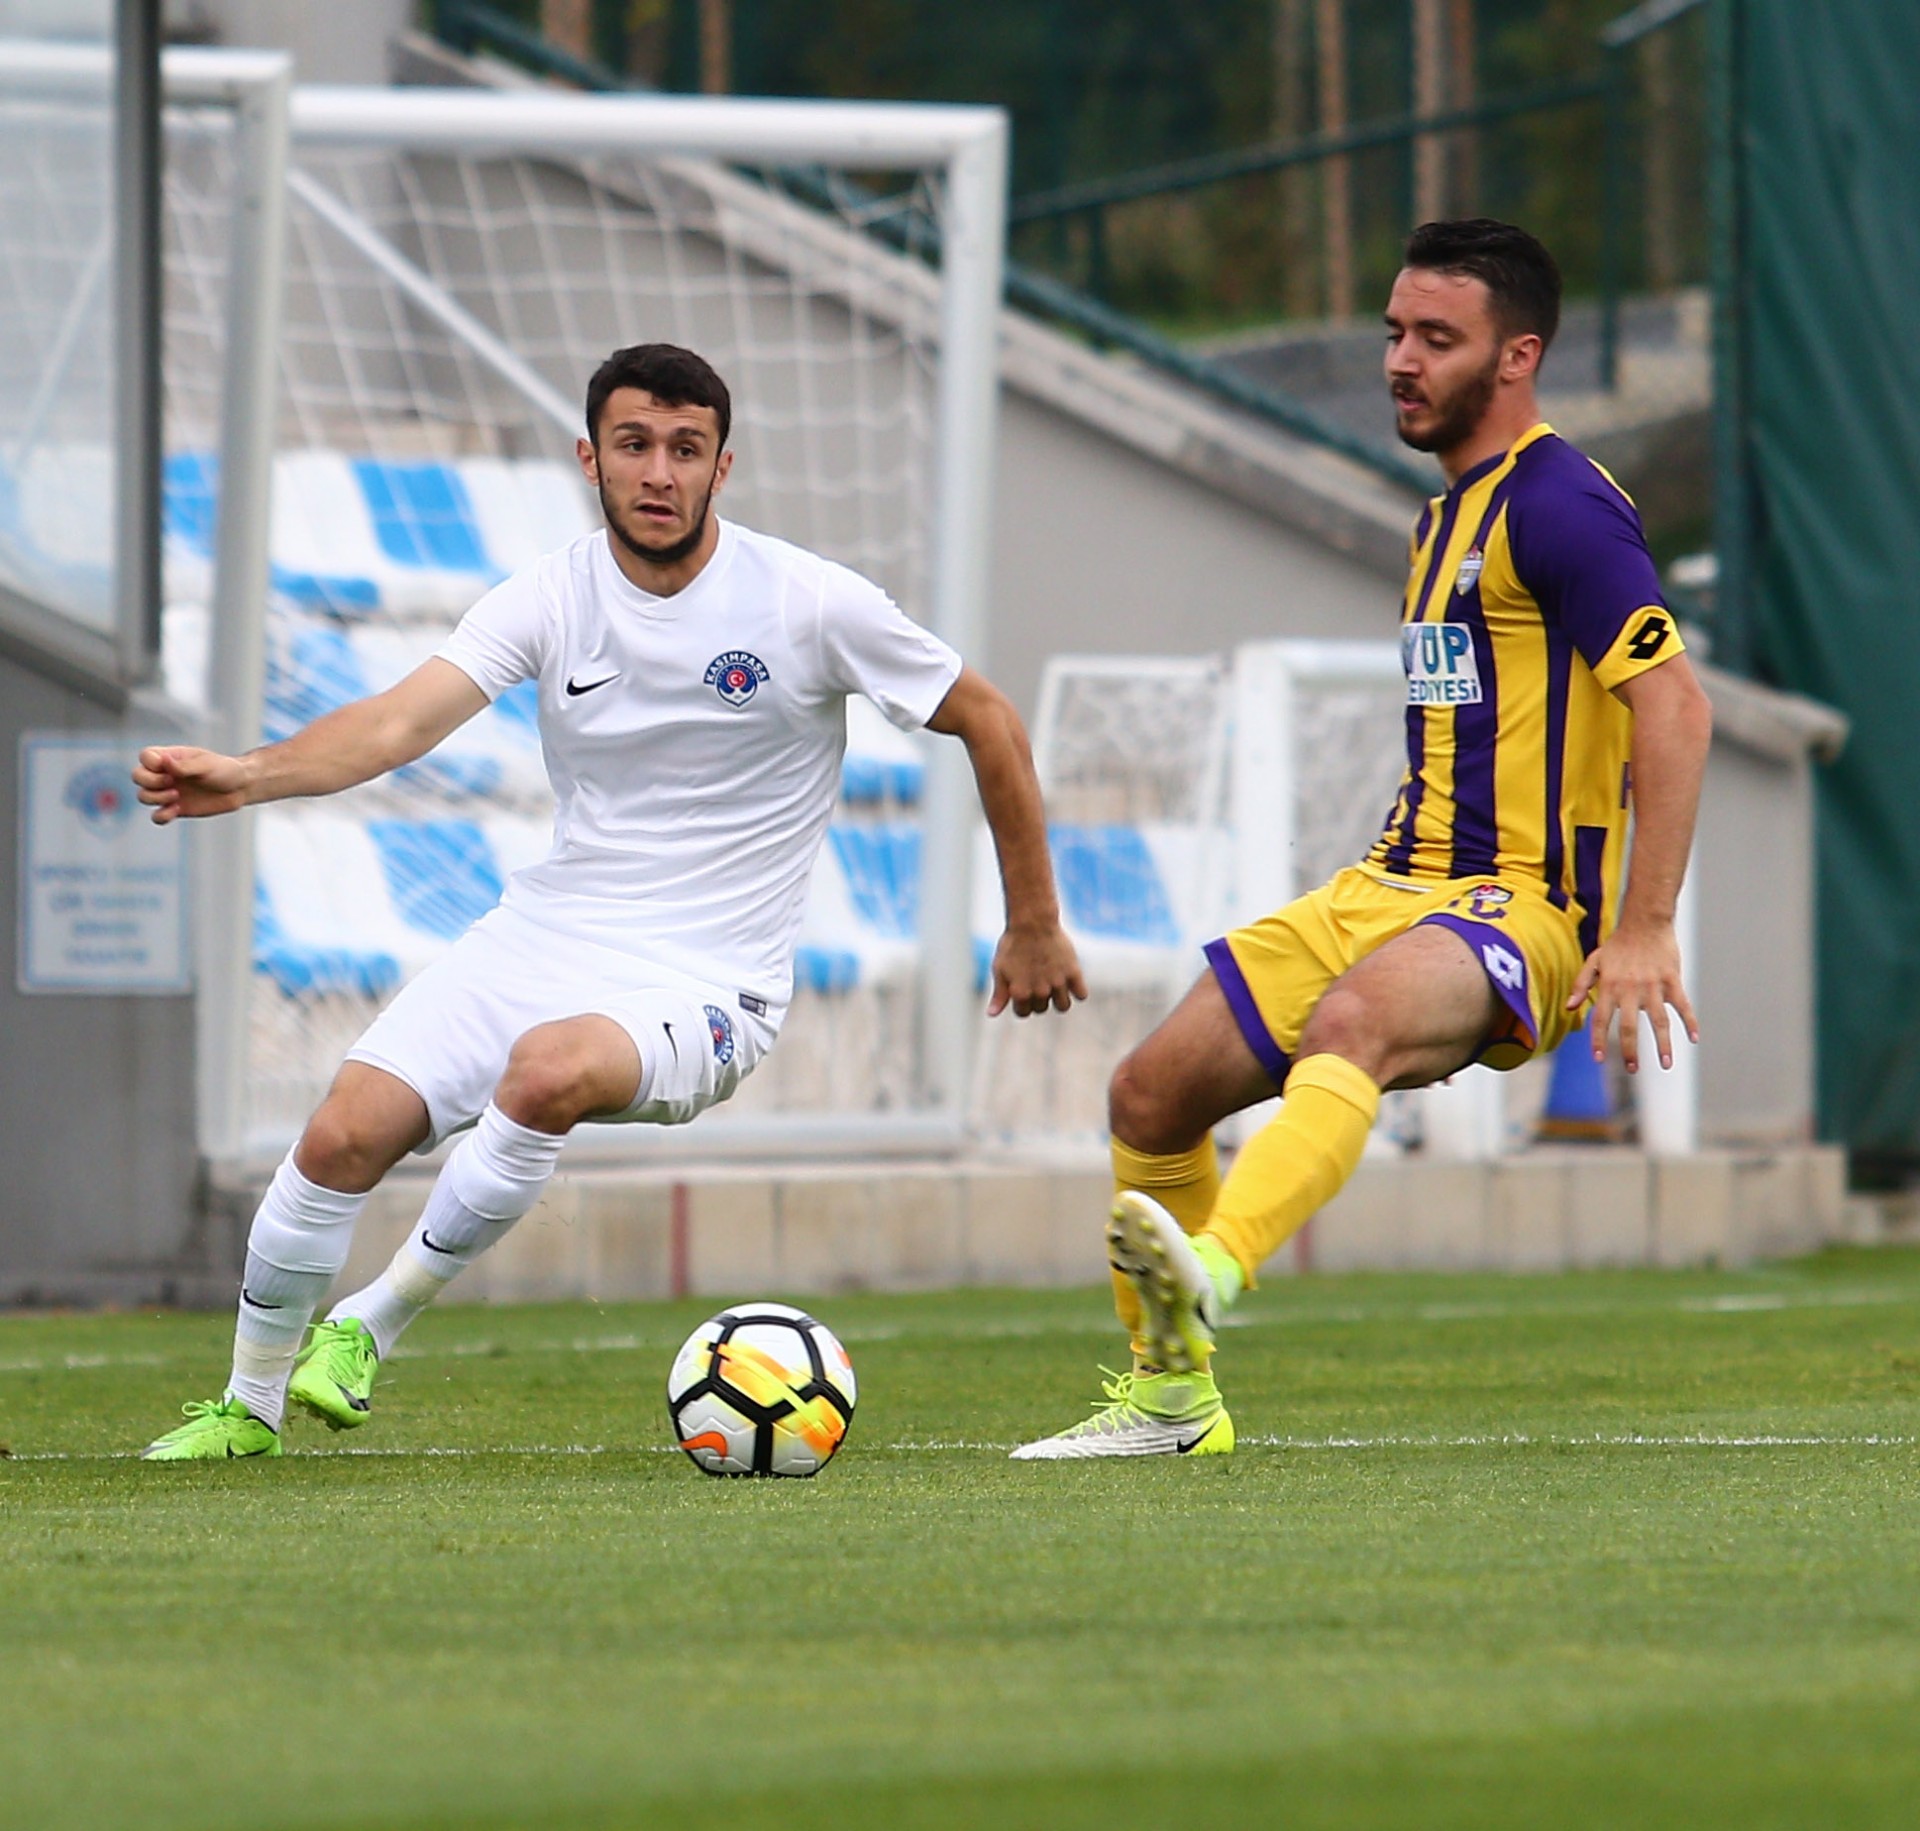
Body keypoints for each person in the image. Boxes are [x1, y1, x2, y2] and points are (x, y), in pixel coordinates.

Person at [137, 341, 1086, 1460]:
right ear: (590, 457)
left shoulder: (809, 601)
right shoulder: (550, 595)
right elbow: (396, 723)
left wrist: (1033, 919)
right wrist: (249, 774)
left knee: (547, 1071)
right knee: (342, 1131)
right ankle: (246, 1410)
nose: (659, 473)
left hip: (711, 981)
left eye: (687, 449)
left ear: (723, 466)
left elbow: (989, 720)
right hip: (545, 935)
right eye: (634, 444)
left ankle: (370, 1324)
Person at [1013, 219, 1713, 1461]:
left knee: (1352, 1026)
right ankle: (1172, 1406)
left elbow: (1676, 703)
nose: (1401, 360)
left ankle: (1212, 1273)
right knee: (1150, 1093)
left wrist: (1646, 924)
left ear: (1518, 356)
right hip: (1388, 884)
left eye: (1437, 338)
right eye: (1395, 332)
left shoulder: (1561, 507)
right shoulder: (1444, 518)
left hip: (1520, 907)